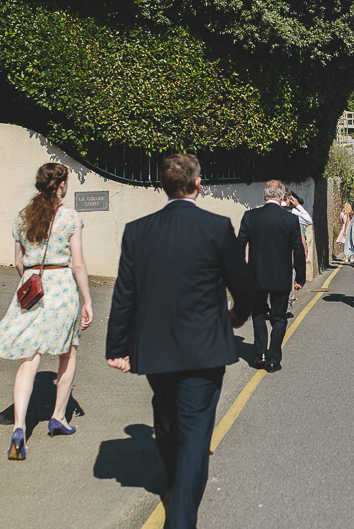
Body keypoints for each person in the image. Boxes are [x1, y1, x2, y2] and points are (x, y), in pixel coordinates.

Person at [106, 154, 252, 529]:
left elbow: (125, 294)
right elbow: (242, 286)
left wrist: (117, 347)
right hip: (205, 349)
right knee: (195, 433)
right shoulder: (218, 227)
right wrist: (237, 316)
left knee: (167, 421)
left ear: (162, 186)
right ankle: (182, 518)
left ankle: (175, 484)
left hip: (155, 349)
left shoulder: (138, 230)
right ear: (198, 184)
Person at [0, 163, 92, 461]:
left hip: (32, 287)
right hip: (62, 289)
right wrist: (87, 299)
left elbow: (18, 260)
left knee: (30, 358)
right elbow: (78, 264)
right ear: (62, 185)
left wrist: (30, 281)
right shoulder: (69, 217)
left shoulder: (22, 217)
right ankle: (58, 417)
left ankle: (19, 427)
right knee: (67, 354)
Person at [239, 180, 306, 373]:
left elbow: (238, 246)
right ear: (282, 196)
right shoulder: (290, 220)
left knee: (258, 313)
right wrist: (299, 278)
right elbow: (298, 250)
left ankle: (259, 354)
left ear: (264, 195)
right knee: (279, 318)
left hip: (256, 276)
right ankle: (273, 359)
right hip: (281, 277)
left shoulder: (250, 217)